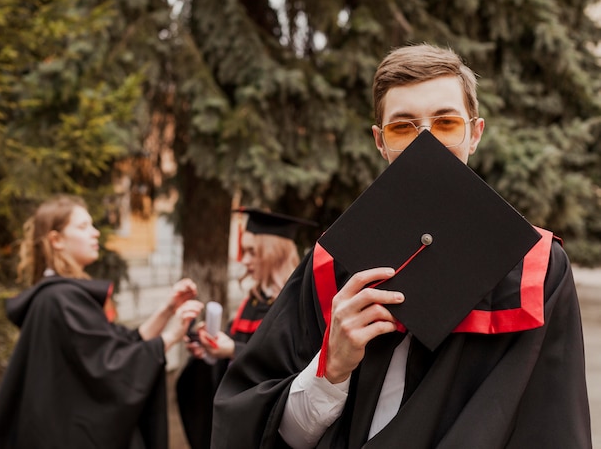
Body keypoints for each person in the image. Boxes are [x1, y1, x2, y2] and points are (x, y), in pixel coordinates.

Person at [211, 44, 592, 448]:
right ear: (380, 141)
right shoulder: (332, 266)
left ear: (475, 133)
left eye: (445, 123)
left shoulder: (537, 271)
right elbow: (263, 433)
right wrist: (330, 370)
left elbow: (554, 431)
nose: (424, 143)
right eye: (402, 127)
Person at [0, 194, 204, 449]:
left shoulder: (62, 295)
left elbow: (117, 345)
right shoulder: (60, 300)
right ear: (56, 240)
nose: (95, 233)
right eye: (83, 227)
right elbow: (108, 368)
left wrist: (167, 310)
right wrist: (171, 336)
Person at [176, 207, 316, 449]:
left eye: (253, 252)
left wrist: (232, 350)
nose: (244, 260)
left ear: (274, 254)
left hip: (270, 428)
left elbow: (292, 369)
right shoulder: (251, 302)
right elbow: (229, 356)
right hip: (239, 418)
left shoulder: (296, 305)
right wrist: (209, 351)